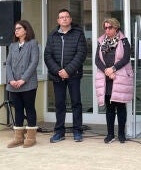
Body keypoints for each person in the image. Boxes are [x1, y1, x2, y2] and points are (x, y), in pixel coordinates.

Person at [44, 9, 87, 143]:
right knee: (59, 104)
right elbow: (47, 55)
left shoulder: (78, 34)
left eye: (66, 17)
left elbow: (81, 54)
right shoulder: (52, 35)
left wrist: (67, 71)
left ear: (70, 19)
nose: (64, 19)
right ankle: (59, 132)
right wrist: (58, 71)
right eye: (61, 17)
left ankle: (77, 131)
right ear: (58, 20)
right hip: (57, 76)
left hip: (73, 75)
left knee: (76, 103)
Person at [95, 18, 133, 144]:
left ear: (116, 28)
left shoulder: (124, 41)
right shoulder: (101, 41)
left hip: (119, 77)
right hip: (106, 79)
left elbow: (126, 58)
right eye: (105, 28)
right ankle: (110, 134)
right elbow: (97, 60)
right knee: (109, 108)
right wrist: (106, 71)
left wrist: (113, 69)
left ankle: (121, 134)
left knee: (121, 107)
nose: (107, 30)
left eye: (109, 27)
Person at [6, 20, 39, 148]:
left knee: (29, 108)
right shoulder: (13, 45)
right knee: (18, 109)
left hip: (28, 83)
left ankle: (31, 137)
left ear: (26, 29)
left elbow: (34, 62)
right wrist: (11, 80)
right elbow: (8, 63)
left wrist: (23, 79)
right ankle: (18, 137)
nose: (16, 31)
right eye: (15, 29)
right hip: (13, 84)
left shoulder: (33, 43)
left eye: (19, 28)